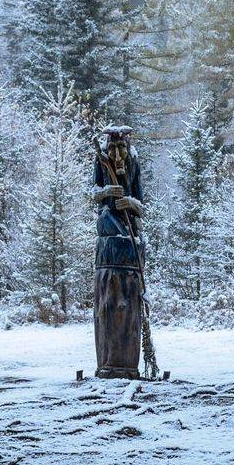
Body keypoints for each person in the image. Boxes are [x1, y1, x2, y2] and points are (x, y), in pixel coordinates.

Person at [91, 126, 145, 379]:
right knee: (108, 306)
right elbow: (93, 194)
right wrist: (105, 193)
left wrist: (131, 203)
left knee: (127, 308)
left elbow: (142, 204)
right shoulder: (101, 163)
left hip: (130, 236)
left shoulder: (134, 165)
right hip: (108, 235)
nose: (117, 154)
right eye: (113, 149)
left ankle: (127, 365)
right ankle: (108, 364)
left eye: (121, 148)